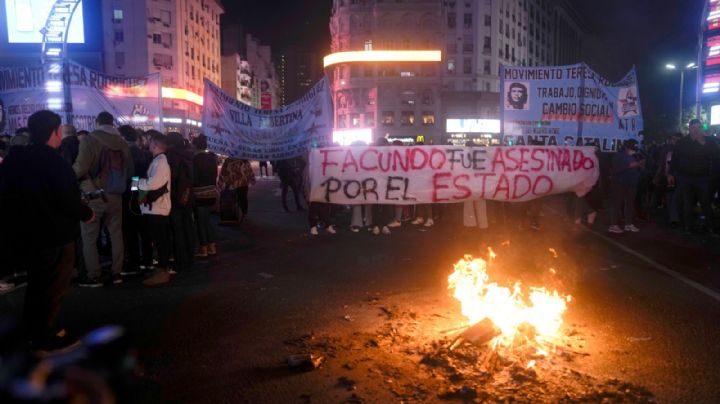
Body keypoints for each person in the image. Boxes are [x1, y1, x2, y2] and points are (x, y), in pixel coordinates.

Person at [0, 110, 94, 352]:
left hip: (25, 234)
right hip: (55, 235)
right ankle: (44, 337)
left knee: (37, 284)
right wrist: (86, 213)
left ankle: (32, 330)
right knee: (52, 287)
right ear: (55, 132)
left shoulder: (13, 160)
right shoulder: (55, 163)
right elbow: (67, 200)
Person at [73, 112, 133, 287]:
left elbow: (81, 167)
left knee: (89, 237)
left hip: (94, 197)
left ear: (97, 122)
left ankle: (94, 276)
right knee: (116, 235)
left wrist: (66, 178)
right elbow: (130, 172)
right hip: (116, 196)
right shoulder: (122, 143)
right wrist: (135, 193)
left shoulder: (89, 140)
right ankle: (117, 273)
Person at [669, 119, 719, 234]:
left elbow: (716, 155)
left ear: (701, 128)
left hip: (703, 178)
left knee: (706, 202)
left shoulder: (708, 141)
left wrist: (704, 144)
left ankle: (710, 227)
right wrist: (670, 173)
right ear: (689, 129)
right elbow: (675, 159)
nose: (696, 130)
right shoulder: (682, 142)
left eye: (698, 128)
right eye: (693, 128)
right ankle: (688, 227)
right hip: (685, 178)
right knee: (688, 203)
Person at [138, 133, 173, 286]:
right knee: (158, 240)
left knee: (160, 241)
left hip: (157, 209)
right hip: (153, 208)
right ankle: (161, 270)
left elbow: (154, 183)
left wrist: (137, 183)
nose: (148, 143)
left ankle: (163, 272)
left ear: (156, 145)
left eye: (151, 141)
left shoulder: (161, 161)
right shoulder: (158, 160)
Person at [119, 125, 154, 275]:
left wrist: (133, 190)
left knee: (131, 229)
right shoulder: (141, 151)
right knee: (143, 228)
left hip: (133, 194)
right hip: (142, 192)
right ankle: (147, 260)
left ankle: (134, 262)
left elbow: (134, 175)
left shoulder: (129, 152)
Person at [166, 132, 196, 273]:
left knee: (177, 230)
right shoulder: (188, 155)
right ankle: (190, 256)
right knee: (187, 226)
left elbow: (171, 177)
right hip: (187, 195)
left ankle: (181, 260)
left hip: (175, 197)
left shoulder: (172, 156)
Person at [608, 139, 644, 234]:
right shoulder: (619, 155)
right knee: (617, 203)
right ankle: (613, 225)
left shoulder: (633, 155)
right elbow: (629, 165)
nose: (634, 150)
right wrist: (640, 163)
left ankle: (628, 224)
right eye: (632, 148)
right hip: (619, 183)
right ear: (626, 147)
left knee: (630, 204)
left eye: (635, 149)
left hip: (631, 183)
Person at [192, 135, 219, 257]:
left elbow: (194, 178)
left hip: (199, 194)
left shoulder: (195, 159)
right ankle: (212, 247)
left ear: (196, 146)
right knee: (207, 221)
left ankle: (203, 248)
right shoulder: (212, 159)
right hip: (211, 192)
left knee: (200, 222)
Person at [218, 157, 256, 221]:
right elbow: (249, 170)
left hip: (234, 184)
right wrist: (252, 180)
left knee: (238, 199)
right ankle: (241, 214)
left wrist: (220, 182)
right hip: (239, 184)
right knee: (241, 199)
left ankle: (239, 214)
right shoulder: (243, 160)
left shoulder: (230, 160)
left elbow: (223, 172)